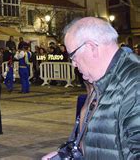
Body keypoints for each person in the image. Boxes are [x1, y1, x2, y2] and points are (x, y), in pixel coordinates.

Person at [42, 17, 140, 160]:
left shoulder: (134, 84)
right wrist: (69, 154)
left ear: (91, 47)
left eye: (73, 56)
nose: (74, 64)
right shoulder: (103, 81)